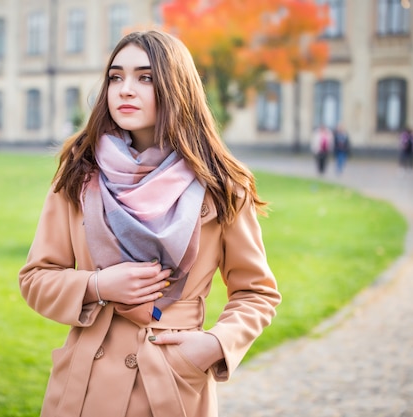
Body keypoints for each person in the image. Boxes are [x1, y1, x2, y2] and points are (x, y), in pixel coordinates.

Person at [18, 30, 281, 417]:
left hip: (171, 385)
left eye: (145, 78)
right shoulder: (79, 174)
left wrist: (213, 345)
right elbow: (35, 278)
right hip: (85, 388)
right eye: (116, 77)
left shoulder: (222, 186)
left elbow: (256, 293)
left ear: (175, 88)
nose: (125, 89)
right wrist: (98, 285)